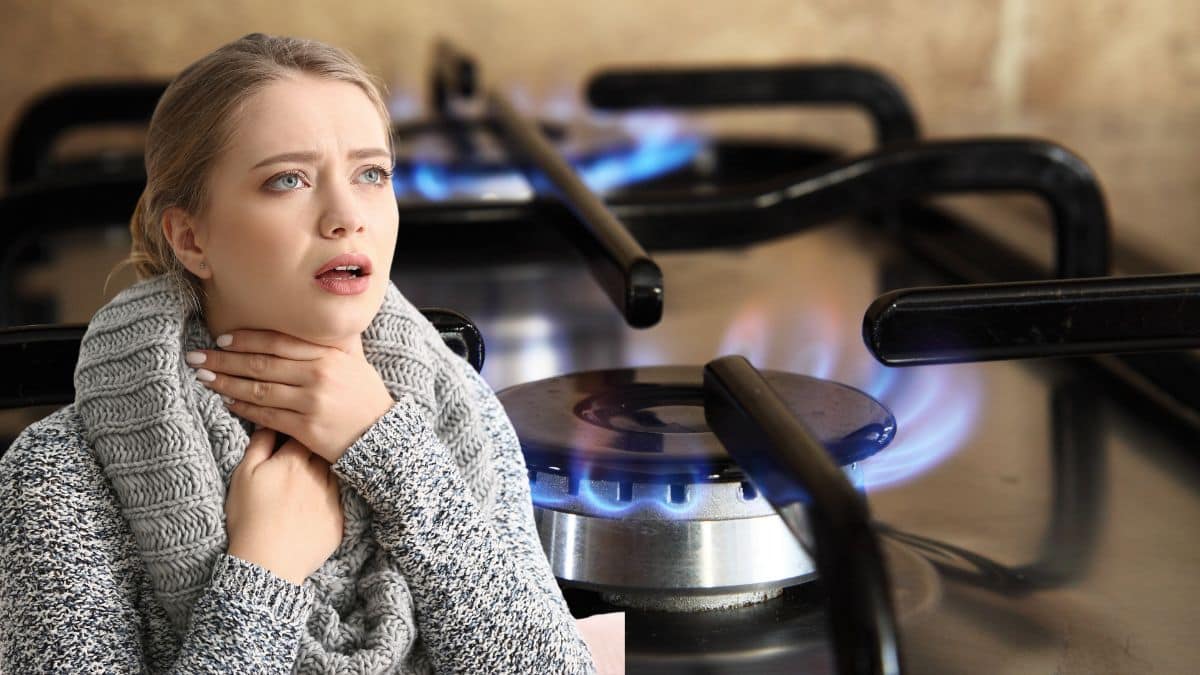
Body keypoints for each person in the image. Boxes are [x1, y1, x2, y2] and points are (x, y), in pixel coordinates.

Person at [0, 33, 609, 673]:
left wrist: (393, 455)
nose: (347, 216)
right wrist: (263, 572)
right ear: (190, 237)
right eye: (287, 180)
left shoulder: (457, 411)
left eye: (370, 173)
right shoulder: (58, 476)